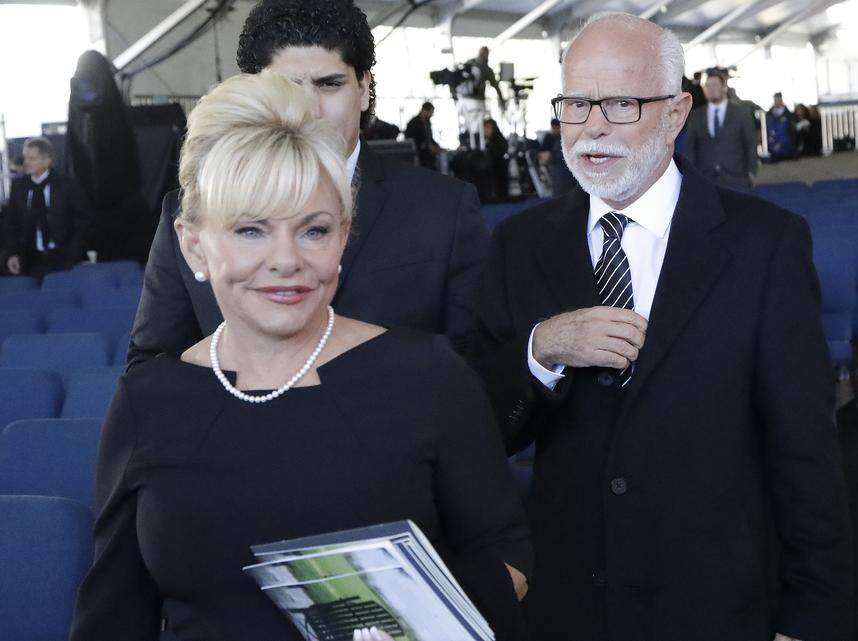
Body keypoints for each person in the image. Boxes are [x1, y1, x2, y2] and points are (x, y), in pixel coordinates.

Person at [68, 71, 531, 641]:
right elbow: (112, 618)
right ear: (193, 245)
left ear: (343, 235)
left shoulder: (429, 378)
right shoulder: (149, 402)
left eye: (312, 230)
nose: (286, 260)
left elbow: (505, 552)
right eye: (251, 230)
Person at [472, 12, 853, 641]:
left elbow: (805, 451)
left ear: (676, 114)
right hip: (568, 607)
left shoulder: (764, 245)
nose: (592, 126)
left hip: (716, 602)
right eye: (575, 103)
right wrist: (543, 349)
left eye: (621, 103)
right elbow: (482, 424)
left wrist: (808, 618)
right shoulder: (518, 245)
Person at [127, 0, 488, 367]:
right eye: (287, 86)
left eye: (329, 84)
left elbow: (474, 371)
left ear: (364, 88)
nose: (310, 108)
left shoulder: (444, 209)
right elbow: (151, 365)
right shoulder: (193, 208)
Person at [2, 137, 92, 276]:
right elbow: (11, 224)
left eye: (32, 158)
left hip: (63, 256)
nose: (26, 162)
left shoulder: (66, 185)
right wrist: (12, 253)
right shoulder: (19, 187)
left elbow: (83, 220)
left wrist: (72, 252)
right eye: (25, 157)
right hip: (29, 258)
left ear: (47, 161)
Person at [683, 69, 757, 190]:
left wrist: (751, 172)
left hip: (737, 177)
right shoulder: (696, 115)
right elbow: (690, 147)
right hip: (705, 178)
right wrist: (692, 175)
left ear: (724, 88)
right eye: (707, 86)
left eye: (715, 85)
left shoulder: (741, 112)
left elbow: (750, 143)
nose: (711, 89)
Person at [459, 46, 507, 149]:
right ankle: (475, 149)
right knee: (477, 129)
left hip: (464, 101)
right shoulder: (485, 68)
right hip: (476, 102)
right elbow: (495, 86)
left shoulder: (470, 64)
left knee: (471, 128)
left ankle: (472, 148)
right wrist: (502, 101)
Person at [403, 101, 441, 169]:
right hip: (419, 155)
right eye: (431, 112)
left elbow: (429, 138)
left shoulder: (427, 123)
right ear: (425, 111)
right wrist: (427, 146)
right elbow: (411, 140)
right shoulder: (413, 123)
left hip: (428, 155)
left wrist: (437, 146)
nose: (432, 115)